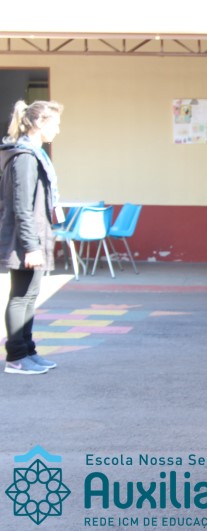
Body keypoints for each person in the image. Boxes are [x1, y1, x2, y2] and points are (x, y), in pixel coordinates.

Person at [0, 100, 63, 375]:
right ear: (39, 123)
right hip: (25, 239)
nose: (58, 129)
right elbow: (21, 207)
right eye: (55, 124)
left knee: (30, 295)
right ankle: (16, 357)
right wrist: (31, 246)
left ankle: (28, 351)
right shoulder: (25, 158)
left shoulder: (36, 155)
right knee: (20, 297)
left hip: (35, 235)